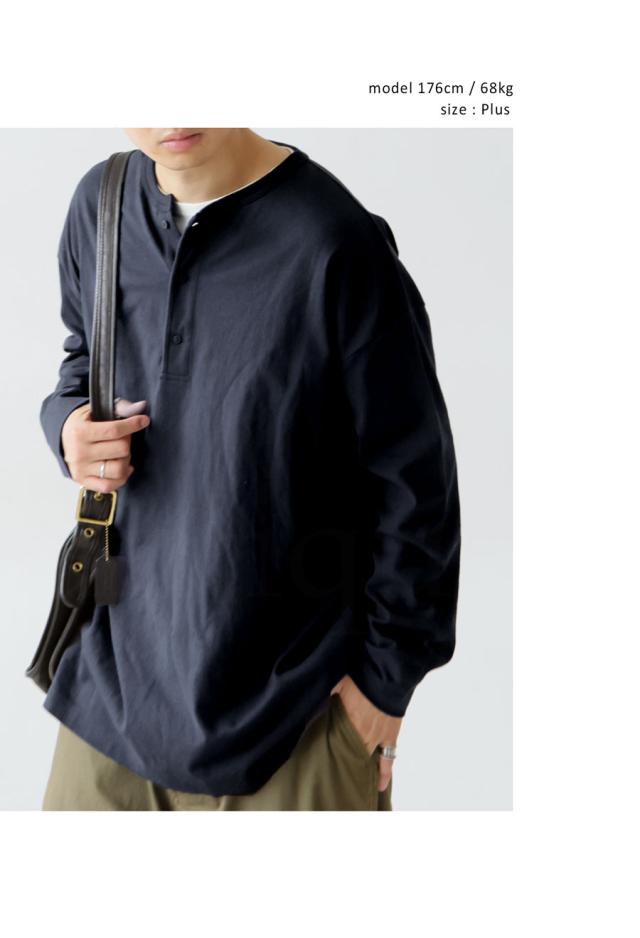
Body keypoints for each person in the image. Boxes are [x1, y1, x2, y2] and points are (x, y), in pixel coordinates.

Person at [38, 128, 461, 810]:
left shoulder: (335, 242)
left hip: (291, 721)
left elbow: (416, 483)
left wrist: (383, 686)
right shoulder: (102, 204)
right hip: (110, 695)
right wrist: (66, 427)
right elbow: (83, 359)